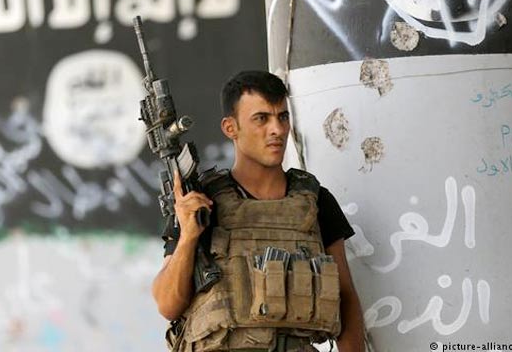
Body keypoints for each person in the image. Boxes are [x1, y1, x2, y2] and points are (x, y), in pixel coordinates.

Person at [152, 70, 365, 352]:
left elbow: (346, 297)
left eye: (283, 117)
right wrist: (189, 235)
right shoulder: (202, 202)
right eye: (261, 118)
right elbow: (168, 305)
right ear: (231, 128)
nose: (277, 130)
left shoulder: (315, 200)